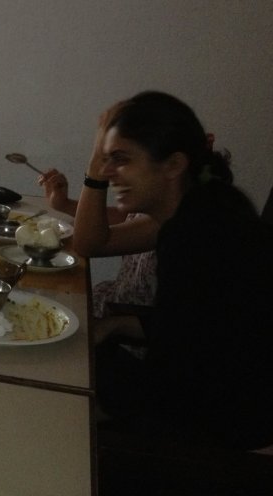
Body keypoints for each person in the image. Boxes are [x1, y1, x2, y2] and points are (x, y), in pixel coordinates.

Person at [78, 91, 273, 452]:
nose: (106, 172)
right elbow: (195, 324)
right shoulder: (210, 205)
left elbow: (178, 379)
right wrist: (116, 325)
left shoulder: (197, 237)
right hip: (208, 396)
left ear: (173, 165)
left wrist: (98, 409)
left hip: (222, 430)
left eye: (121, 159)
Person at [36, 168, 159, 318]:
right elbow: (129, 218)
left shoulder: (169, 221)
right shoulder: (158, 205)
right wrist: (65, 205)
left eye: (125, 160)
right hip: (112, 299)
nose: (112, 172)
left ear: (174, 165)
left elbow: (88, 244)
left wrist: (95, 178)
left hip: (123, 317)